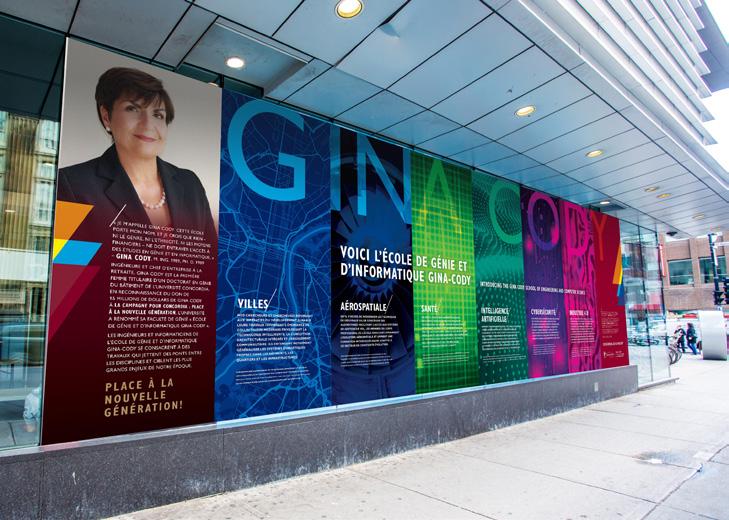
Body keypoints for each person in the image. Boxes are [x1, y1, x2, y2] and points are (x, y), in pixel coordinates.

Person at [57, 67, 215, 237]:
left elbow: (209, 252)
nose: (148, 124)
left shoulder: (190, 183)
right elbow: (70, 255)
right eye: (132, 109)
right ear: (106, 117)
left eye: (158, 115)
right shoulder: (73, 185)